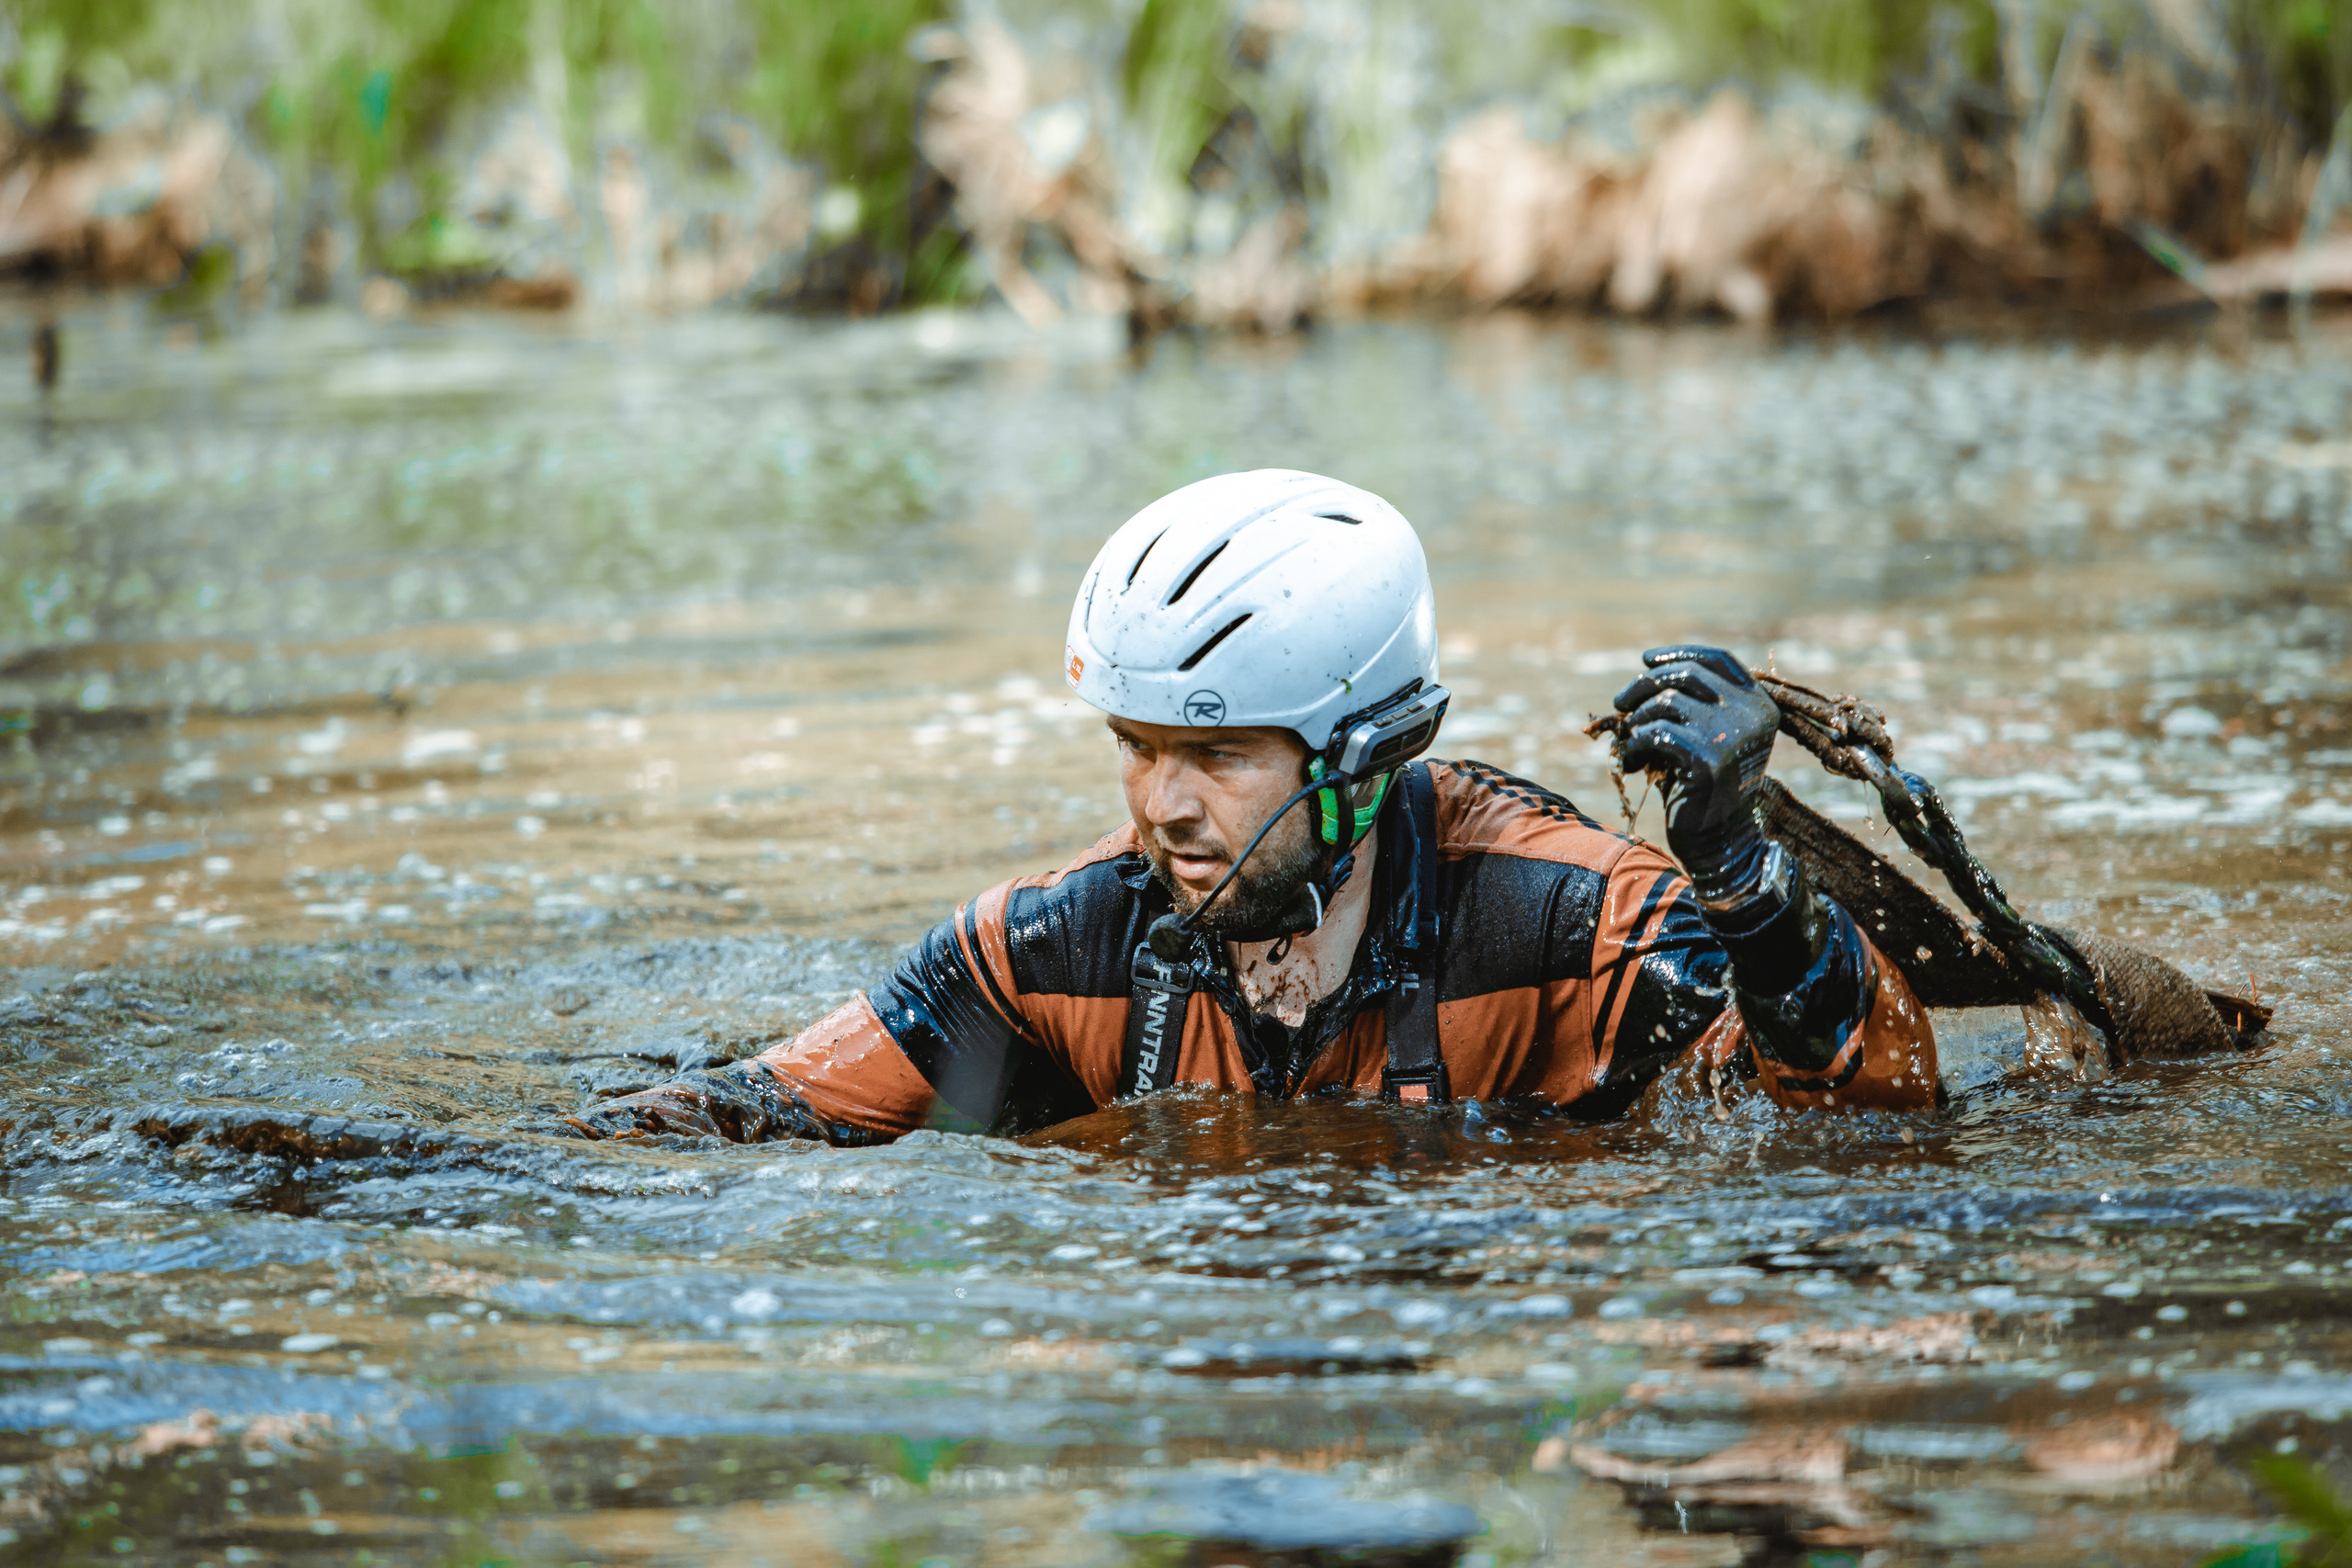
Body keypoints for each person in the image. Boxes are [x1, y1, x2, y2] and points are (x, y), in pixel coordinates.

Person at [566, 469, 1937, 1145]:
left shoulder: (1570, 920)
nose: (1159, 805)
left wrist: (1747, 878)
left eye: (1216, 759)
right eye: (1135, 746)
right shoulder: (1049, 949)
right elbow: (743, 1118)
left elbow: (1874, 1118)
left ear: (1353, 763)